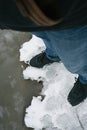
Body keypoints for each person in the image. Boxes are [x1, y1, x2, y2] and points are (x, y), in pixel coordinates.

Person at [1, 0, 87, 106]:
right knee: (45, 36)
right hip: (24, 15)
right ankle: (53, 55)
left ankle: (85, 80)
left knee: (77, 62)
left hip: (69, 16)